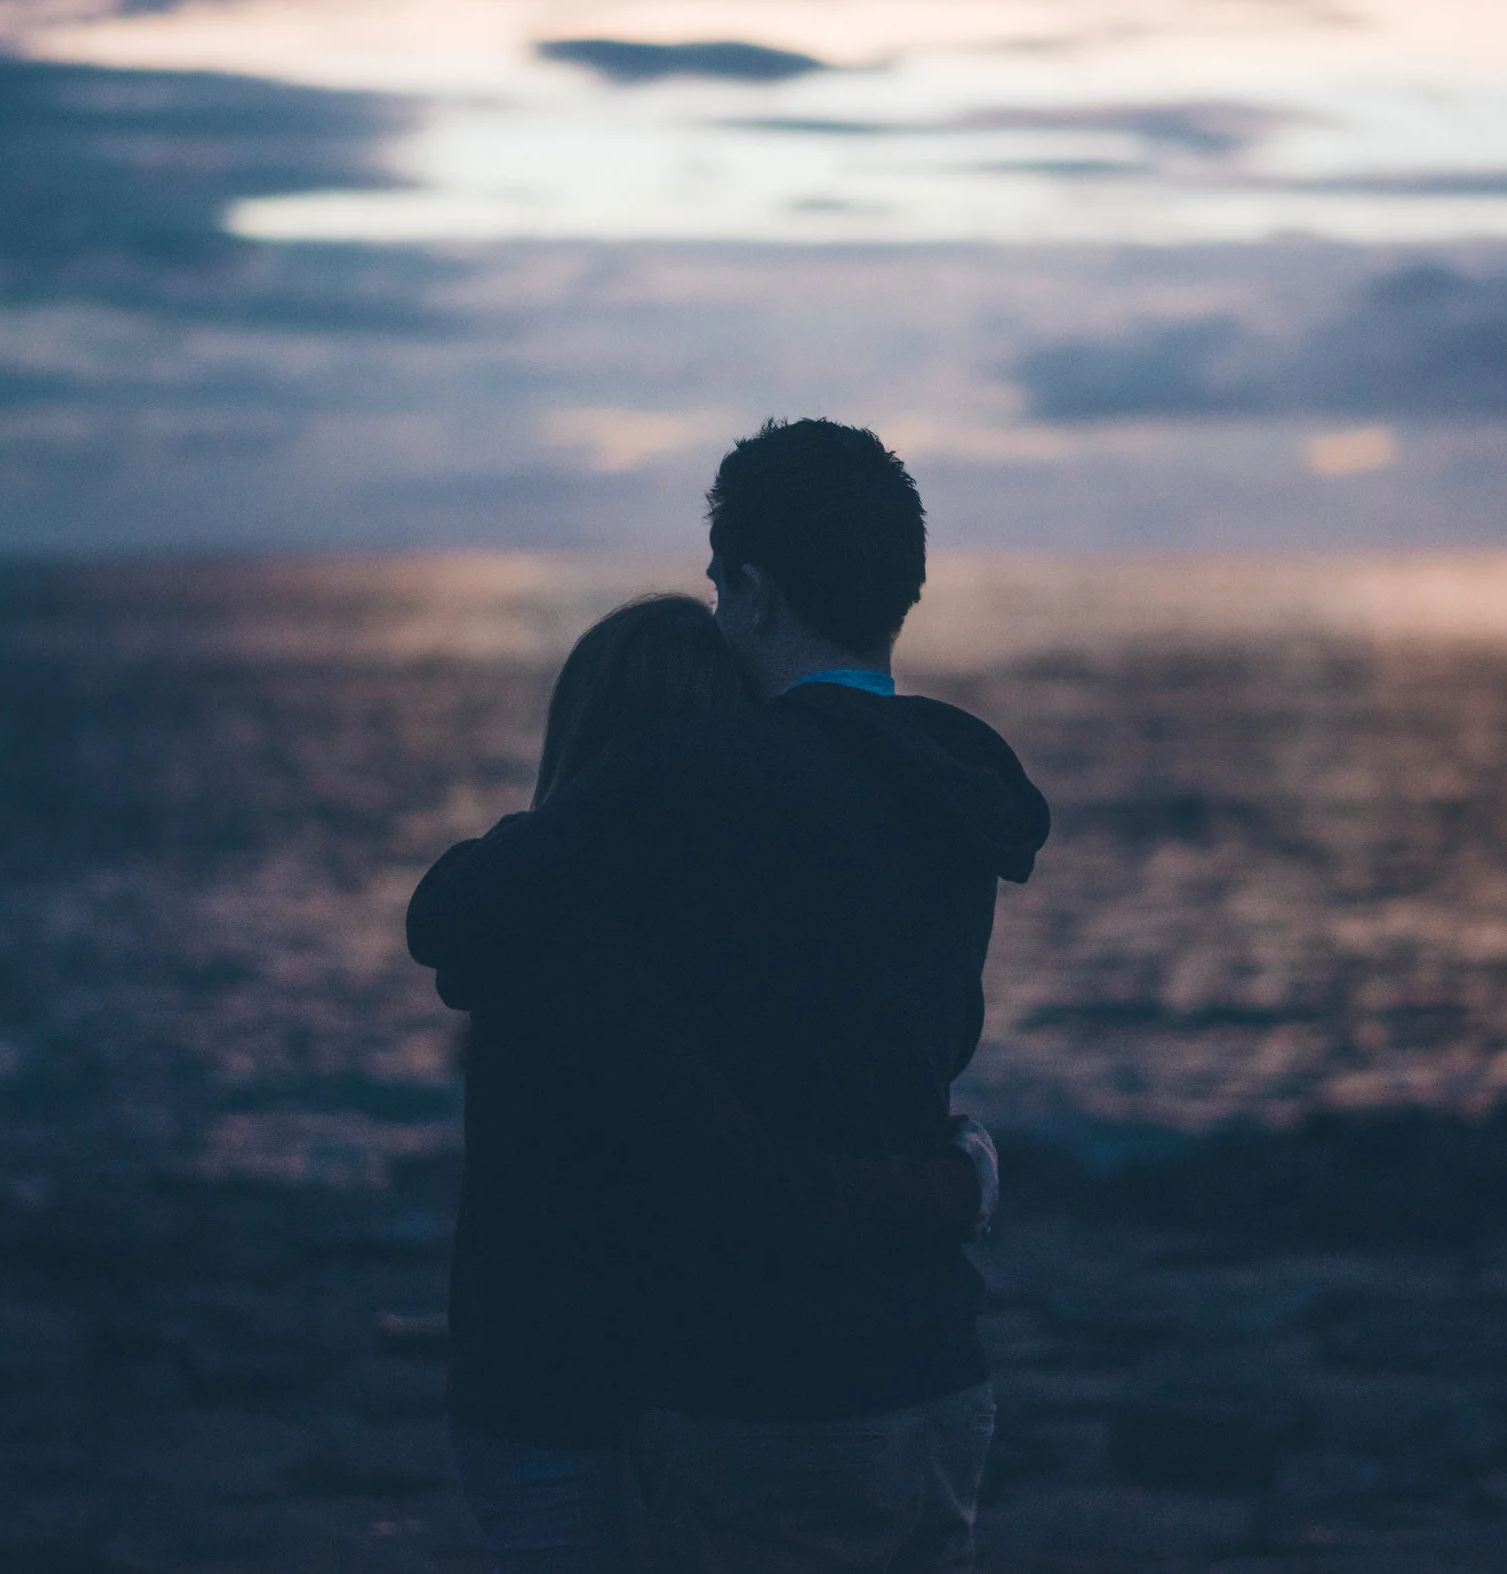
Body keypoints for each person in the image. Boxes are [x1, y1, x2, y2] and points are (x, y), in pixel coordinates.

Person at [412, 420, 1050, 1573]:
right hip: (941, 1370)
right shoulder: (956, 783)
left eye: (718, 585)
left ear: (753, 592)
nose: (713, 611)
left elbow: (451, 915)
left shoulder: (701, 775)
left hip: (775, 1392)